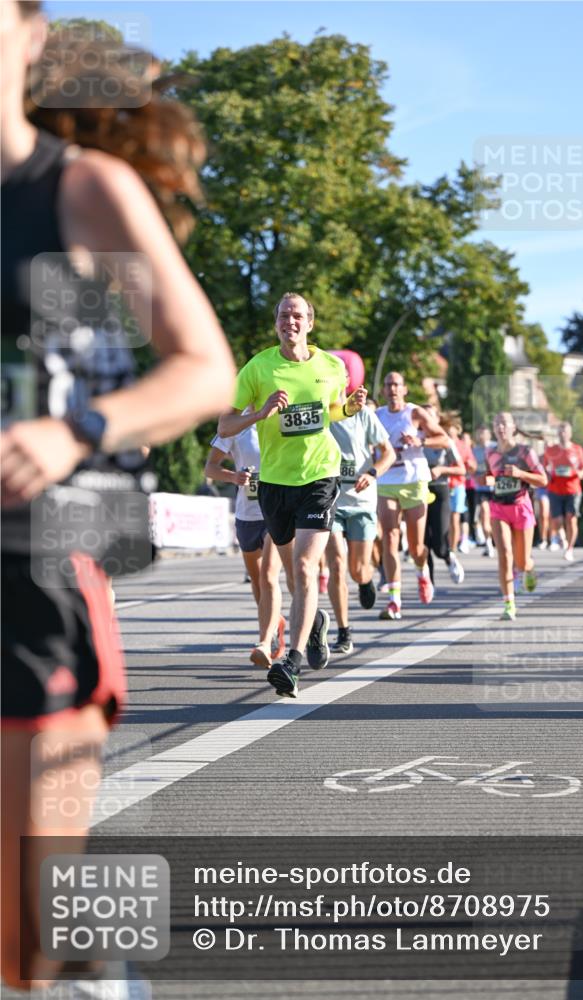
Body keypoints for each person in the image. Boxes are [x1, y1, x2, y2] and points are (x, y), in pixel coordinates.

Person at [1, 3, 235, 993]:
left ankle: (102, 974)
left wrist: (72, 430)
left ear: (28, 35)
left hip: (39, 567)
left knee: (28, 940)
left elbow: (202, 369)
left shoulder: (76, 189)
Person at [217, 292, 367, 697]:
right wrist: (259, 414)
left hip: (319, 476)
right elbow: (226, 425)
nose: (290, 321)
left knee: (303, 569)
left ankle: (293, 661)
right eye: (284, 315)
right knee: (293, 574)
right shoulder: (258, 368)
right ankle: (315, 621)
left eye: (297, 315)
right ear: (276, 323)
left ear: (310, 323)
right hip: (274, 483)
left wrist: (349, 409)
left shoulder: (332, 367)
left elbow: (331, 409)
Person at [205, 425, 287, 668]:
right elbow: (210, 467)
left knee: (269, 576)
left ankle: (266, 639)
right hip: (247, 514)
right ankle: (275, 623)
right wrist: (233, 477)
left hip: (276, 511)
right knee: (257, 579)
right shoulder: (234, 426)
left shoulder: (281, 418)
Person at [326, 366, 395, 655]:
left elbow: (388, 453)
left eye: (339, 374)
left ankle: (366, 579)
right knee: (337, 564)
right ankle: (344, 631)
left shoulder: (364, 413)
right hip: (331, 500)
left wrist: (373, 472)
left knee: (356, 568)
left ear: (346, 380)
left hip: (362, 501)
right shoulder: (321, 413)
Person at [375, 372, 449, 620]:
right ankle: (395, 601)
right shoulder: (377, 416)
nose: (393, 389)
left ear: (404, 389)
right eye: (388, 385)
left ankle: (421, 572)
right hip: (386, 482)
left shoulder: (415, 413)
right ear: (384, 391)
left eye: (397, 385)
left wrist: (419, 440)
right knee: (390, 538)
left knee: (417, 547)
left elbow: (444, 439)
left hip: (414, 481)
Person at [482, 412, 547, 620]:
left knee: (521, 561)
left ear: (513, 428)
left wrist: (520, 474)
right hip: (499, 508)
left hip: (521, 507)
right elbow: (490, 478)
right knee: (505, 555)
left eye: (504, 423)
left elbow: (543, 480)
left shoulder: (525, 452)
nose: (500, 427)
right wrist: (484, 479)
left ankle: (529, 568)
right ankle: (509, 603)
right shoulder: (490, 453)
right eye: (496, 423)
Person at [424, 416, 466, 586]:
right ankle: (428, 584)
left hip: (440, 489)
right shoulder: (413, 439)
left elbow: (461, 469)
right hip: (418, 492)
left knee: (439, 544)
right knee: (422, 542)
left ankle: (448, 556)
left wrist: (441, 469)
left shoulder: (446, 441)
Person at [544, 421, 583, 562]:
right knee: (557, 520)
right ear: (557, 434)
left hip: (573, 489)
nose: (562, 434)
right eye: (560, 431)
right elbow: (545, 467)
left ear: (570, 434)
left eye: (565, 431)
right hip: (555, 488)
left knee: (571, 518)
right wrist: (548, 472)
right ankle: (561, 535)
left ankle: (569, 549)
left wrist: (579, 473)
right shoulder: (551, 450)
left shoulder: (577, 449)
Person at [439, 412, 469, 583]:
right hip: (443, 485)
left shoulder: (463, 445)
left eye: (452, 429)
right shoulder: (440, 441)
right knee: (444, 519)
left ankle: (452, 548)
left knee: (455, 518)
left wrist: (471, 465)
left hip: (457, 484)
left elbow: (468, 463)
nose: (450, 432)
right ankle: (444, 545)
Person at [472, 425, 494, 557]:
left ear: (489, 435)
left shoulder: (496, 447)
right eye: (479, 434)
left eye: (484, 434)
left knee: (496, 518)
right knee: (485, 514)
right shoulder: (475, 450)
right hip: (482, 488)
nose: (481, 437)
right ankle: (489, 544)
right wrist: (475, 475)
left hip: (497, 488)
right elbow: (471, 468)